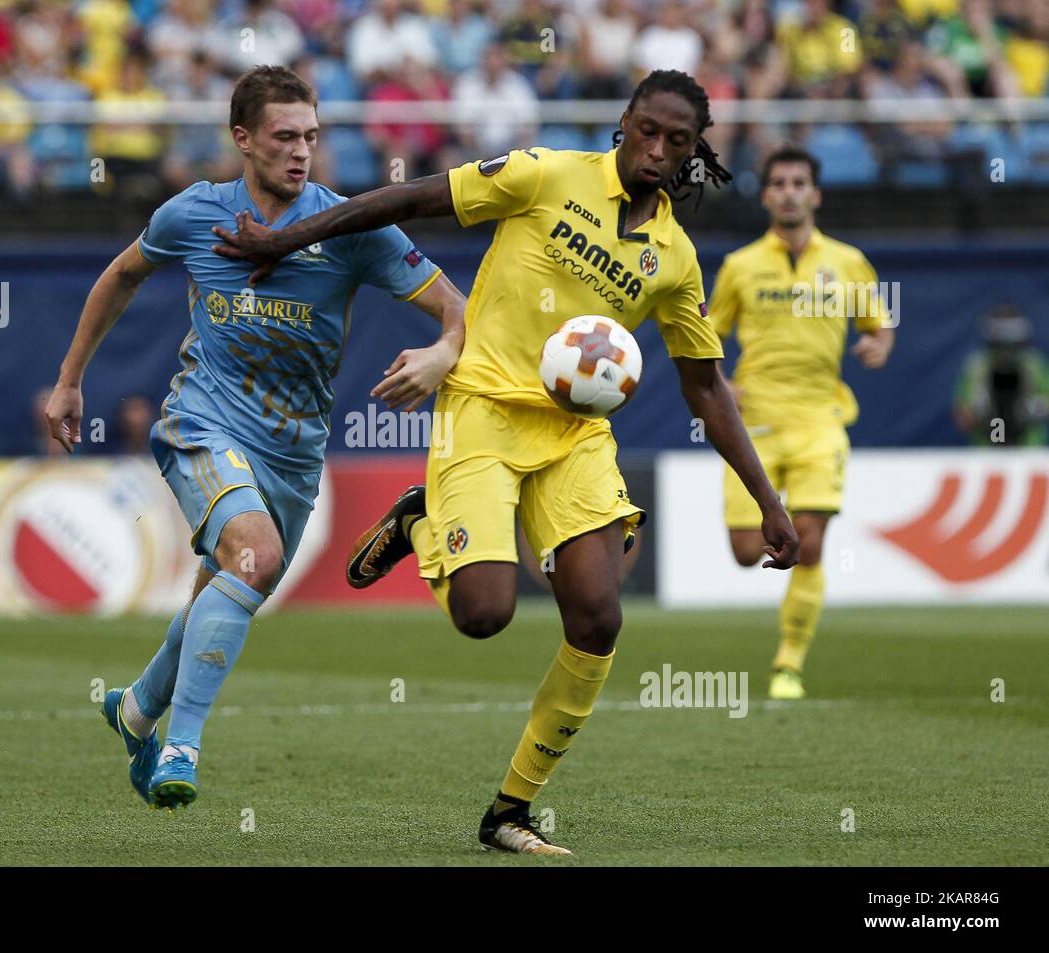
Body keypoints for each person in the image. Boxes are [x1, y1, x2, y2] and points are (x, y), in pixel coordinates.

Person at [212, 69, 800, 856]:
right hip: (483, 408)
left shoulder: (676, 260)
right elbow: (410, 199)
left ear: (694, 151)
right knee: (483, 615)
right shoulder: (544, 174)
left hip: (575, 436)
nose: (657, 150)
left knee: (598, 617)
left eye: (678, 141)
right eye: (648, 131)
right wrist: (287, 239)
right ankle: (424, 520)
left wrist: (766, 498)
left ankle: (510, 810)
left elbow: (705, 386)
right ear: (623, 123)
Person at [44, 65, 467, 812]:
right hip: (202, 422)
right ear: (243, 140)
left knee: (227, 583)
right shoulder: (194, 214)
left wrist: (441, 353)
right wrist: (72, 378)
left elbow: (454, 309)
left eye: (311, 136)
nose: (302, 151)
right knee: (256, 555)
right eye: (284, 137)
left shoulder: (351, 226)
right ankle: (184, 744)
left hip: (294, 453)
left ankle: (137, 709)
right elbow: (121, 275)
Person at [709, 146, 894, 701]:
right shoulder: (741, 266)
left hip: (820, 419)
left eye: (799, 183)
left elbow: (879, 326)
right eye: (780, 183)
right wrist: (723, 382)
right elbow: (706, 336)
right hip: (755, 425)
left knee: (809, 543)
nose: (789, 191)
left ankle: (788, 661)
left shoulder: (849, 262)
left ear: (815, 193)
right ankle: (787, 648)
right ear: (766, 196)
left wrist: (878, 346)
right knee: (747, 551)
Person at [953, 304, 1049, 446]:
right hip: (988, 451)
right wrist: (978, 410)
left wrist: (1035, 407)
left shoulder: (1034, 364)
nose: (1006, 351)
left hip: (1028, 450)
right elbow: (962, 418)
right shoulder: (977, 366)